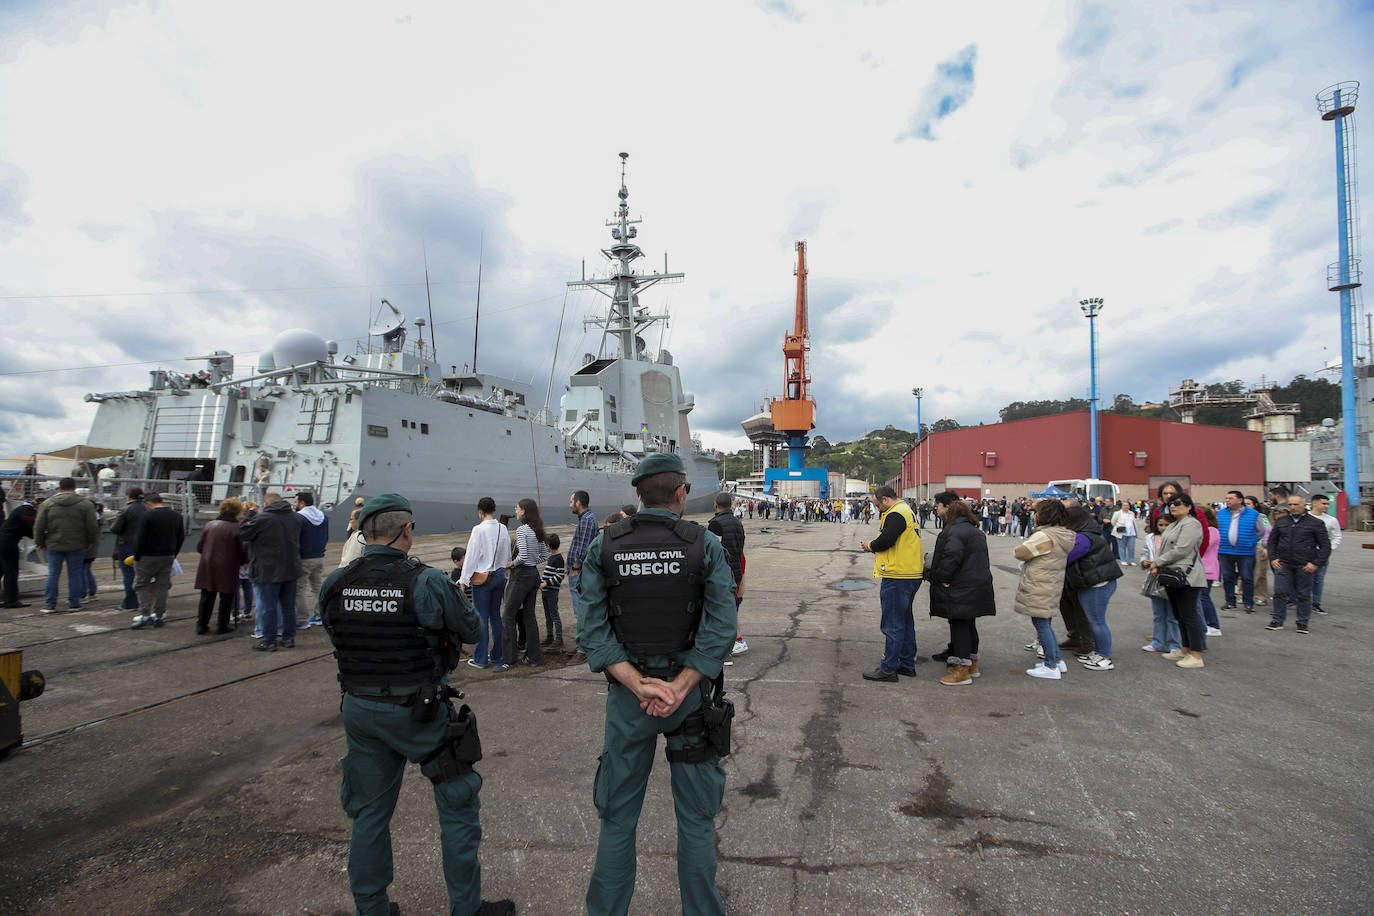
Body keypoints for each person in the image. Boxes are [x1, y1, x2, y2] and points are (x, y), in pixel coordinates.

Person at [318, 493, 514, 916]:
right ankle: (466, 908)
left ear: (363, 532)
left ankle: (371, 909)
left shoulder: (335, 584)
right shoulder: (426, 581)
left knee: (369, 812)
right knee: (458, 801)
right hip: (419, 711)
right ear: (407, 530)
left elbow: (337, 638)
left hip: (360, 708)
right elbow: (473, 629)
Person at [577, 452, 737, 915]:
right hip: (689, 701)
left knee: (617, 821)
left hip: (630, 700)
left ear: (637, 494)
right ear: (681, 493)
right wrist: (682, 686)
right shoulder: (702, 544)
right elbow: (721, 625)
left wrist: (636, 683)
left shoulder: (604, 546)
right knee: (695, 820)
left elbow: (591, 629)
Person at [926, 491, 995, 686]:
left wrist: (942, 578)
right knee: (969, 625)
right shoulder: (975, 531)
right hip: (975, 585)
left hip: (960, 586)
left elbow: (951, 557)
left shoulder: (954, 531)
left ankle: (961, 670)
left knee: (959, 626)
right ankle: (973, 664)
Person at [858, 485, 924, 683]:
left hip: (898, 575)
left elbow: (886, 540)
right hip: (910, 573)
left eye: (877, 505)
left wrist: (869, 545)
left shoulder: (896, 513)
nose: (877, 508)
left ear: (885, 499)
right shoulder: (906, 510)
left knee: (893, 624)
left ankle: (888, 668)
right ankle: (906, 663)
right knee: (905, 621)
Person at [1015, 500, 1078, 680]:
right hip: (1051, 583)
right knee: (1045, 623)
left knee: (1041, 624)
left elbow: (1021, 552)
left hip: (1040, 584)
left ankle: (1051, 665)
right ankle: (1057, 660)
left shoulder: (1044, 536)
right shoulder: (1062, 534)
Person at [238, 490, 303, 650]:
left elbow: (242, 533)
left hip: (267, 570)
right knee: (288, 606)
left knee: (268, 606)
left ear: (266, 503)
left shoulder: (262, 519)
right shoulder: (295, 518)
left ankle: (269, 641)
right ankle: (288, 638)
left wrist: (249, 515)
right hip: (290, 568)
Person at [1148, 493, 1208, 668]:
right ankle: (1186, 648)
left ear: (1189, 506)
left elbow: (1181, 549)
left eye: (1178, 503)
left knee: (1189, 615)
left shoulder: (1192, 524)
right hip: (1172, 573)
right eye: (1171, 504)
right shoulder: (1175, 524)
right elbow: (1164, 547)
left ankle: (1196, 654)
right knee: (1179, 614)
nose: (1173, 506)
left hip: (1187, 575)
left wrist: (1157, 562)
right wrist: (1157, 563)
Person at [1065, 505, 1123, 672]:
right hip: (1092, 582)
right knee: (1093, 620)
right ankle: (1098, 652)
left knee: (1097, 621)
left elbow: (1066, 557)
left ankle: (1105, 656)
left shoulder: (1083, 538)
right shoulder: (1088, 533)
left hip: (1098, 583)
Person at [1265, 493, 1331, 634]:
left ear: (1304, 505)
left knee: (1303, 594)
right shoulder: (1282, 522)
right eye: (1290, 505)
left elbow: (1325, 547)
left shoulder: (1315, 523)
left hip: (1304, 565)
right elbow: (1272, 542)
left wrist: (1315, 563)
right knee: (1280, 592)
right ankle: (1277, 620)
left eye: (1296, 505)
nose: (1293, 508)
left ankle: (1302, 623)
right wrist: (1273, 558)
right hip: (1284, 564)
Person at [33, 477, 100, 613]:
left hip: (54, 543)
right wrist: (90, 541)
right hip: (77, 544)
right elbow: (92, 526)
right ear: (75, 487)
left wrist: (39, 542)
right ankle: (74, 603)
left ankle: (50, 604)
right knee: (75, 573)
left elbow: (39, 525)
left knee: (53, 573)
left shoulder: (48, 503)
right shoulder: (86, 504)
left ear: (60, 487)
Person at [497, 498, 548, 671]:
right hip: (534, 574)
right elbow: (544, 556)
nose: (515, 511)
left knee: (508, 616)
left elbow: (523, 555)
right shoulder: (537, 530)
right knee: (529, 616)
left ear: (524, 511)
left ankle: (509, 659)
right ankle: (533, 656)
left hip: (522, 575)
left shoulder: (522, 530)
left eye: (517, 508)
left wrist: (512, 563)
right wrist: (531, 562)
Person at [459, 497, 508, 669]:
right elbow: (506, 555)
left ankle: (481, 659)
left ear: (480, 510)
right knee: (495, 616)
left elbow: (471, 556)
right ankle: (497, 654)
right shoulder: (503, 529)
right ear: (494, 509)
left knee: (481, 617)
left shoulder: (478, 530)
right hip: (499, 575)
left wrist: (463, 579)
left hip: (483, 578)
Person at [127, 492, 186, 628]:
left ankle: (145, 614)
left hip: (147, 556)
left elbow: (140, 538)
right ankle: (159, 615)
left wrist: (137, 555)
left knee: (141, 585)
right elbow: (180, 537)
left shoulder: (147, 516)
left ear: (148, 503)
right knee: (162, 586)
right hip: (167, 556)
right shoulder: (176, 516)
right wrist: (173, 553)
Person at [195, 498, 245, 634]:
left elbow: (200, 546)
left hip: (208, 563)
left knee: (206, 596)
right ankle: (222, 625)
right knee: (226, 596)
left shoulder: (210, 525)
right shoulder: (237, 528)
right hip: (228, 565)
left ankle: (201, 624)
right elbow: (241, 550)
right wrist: (243, 560)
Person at [707, 492, 748, 658]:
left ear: (716, 504)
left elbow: (713, 552)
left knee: (722, 610)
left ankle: (732, 642)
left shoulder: (715, 524)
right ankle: (734, 640)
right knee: (732, 607)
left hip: (722, 574)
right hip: (737, 572)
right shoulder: (738, 523)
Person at [1216, 490, 1264, 613]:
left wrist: (1251, 542)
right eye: (1226, 498)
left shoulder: (1253, 514)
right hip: (1225, 550)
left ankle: (1248, 603)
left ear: (1240, 500)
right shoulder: (1221, 514)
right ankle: (1230, 601)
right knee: (1227, 577)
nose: (1227, 500)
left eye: (1230, 498)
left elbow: (1260, 531)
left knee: (1247, 577)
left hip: (1245, 551)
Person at [1140, 514, 1182, 654]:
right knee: (1158, 614)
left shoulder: (1178, 538)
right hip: (1154, 578)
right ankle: (1158, 641)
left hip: (1170, 577)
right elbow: (1145, 552)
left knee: (1172, 615)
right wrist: (1145, 561)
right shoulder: (1151, 538)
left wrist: (1158, 564)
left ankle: (1174, 643)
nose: (1163, 528)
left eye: (1166, 525)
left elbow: (1178, 556)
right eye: (1161, 525)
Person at [566, 490, 598, 665]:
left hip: (578, 572)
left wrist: (575, 567)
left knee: (581, 612)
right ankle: (581, 644)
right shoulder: (587, 519)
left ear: (578, 503)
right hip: (578, 572)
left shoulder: (586, 520)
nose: (570, 504)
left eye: (572, 501)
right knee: (581, 611)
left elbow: (583, 546)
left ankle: (582, 650)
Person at [295, 491, 330, 628]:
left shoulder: (299, 518)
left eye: (296, 501)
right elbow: (326, 536)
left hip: (304, 558)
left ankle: (302, 620)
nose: (295, 504)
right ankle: (319, 615)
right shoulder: (323, 516)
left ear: (302, 503)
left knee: (300, 589)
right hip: (319, 557)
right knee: (317, 587)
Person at [110, 487, 147, 611]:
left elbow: (116, 528)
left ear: (128, 496)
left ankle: (130, 602)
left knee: (128, 574)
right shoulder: (147, 509)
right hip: (143, 545)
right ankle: (144, 600)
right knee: (142, 573)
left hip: (126, 544)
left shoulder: (125, 509)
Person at [0, 497, 38, 607]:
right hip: (8, 543)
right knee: (11, 572)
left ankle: (10, 599)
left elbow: (28, 531)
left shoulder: (20, 511)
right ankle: (11, 600)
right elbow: (33, 528)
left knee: (2, 570)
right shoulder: (27, 511)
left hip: (4, 542)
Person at [1307, 494, 1341, 614]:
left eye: (1327, 504)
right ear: (1314, 503)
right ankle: (1295, 600)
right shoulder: (1305, 518)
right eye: (1324, 503)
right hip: (1305, 552)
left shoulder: (1331, 520)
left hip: (1321, 553)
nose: (1326, 506)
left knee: (1318, 579)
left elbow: (1337, 536)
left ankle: (1316, 603)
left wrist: (1329, 548)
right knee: (1301, 577)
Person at [1198, 506, 1222, 637]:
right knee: (1201, 597)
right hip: (1202, 568)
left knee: (1204, 597)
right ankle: (1206, 622)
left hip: (1208, 569)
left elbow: (1203, 545)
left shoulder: (1211, 531)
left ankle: (1213, 624)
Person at [540, 533, 566, 651]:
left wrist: (546, 583)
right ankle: (550, 636)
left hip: (551, 592)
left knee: (554, 615)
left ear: (549, 546)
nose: (546, 547)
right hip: (545, 591)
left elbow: (560, 576)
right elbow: (548, 574)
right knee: (547, 615)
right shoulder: (551, 558)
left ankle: (559, 639)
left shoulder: (558, 559)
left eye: (546, 545)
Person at [340, 497, 367, 568]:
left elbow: (348, 562)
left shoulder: (358, 537)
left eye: (351, 519)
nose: (350, 521)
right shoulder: (364, 511)